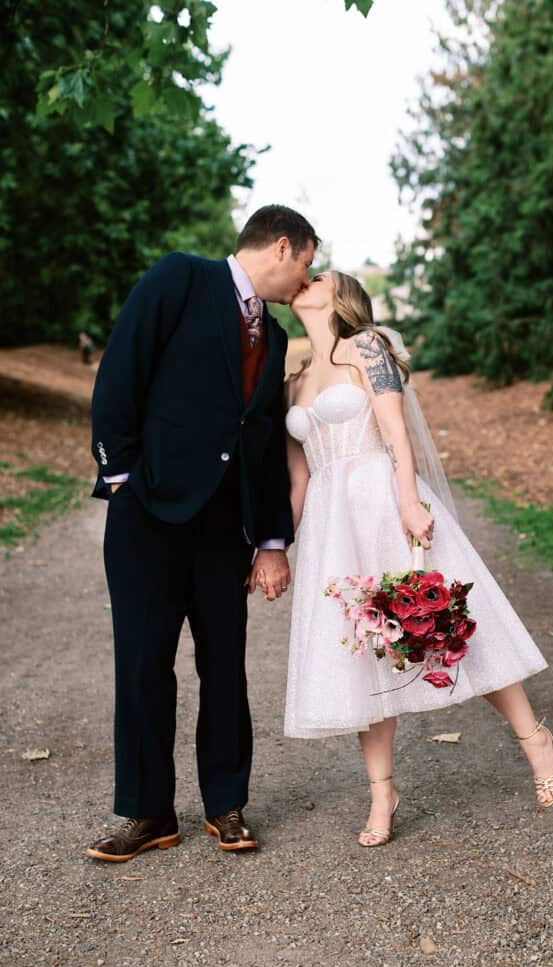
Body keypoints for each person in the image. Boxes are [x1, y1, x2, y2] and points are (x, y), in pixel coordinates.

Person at [284, 271, 553, 847]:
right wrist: (276, 548)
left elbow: (396, 433)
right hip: (331, 528)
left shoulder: (366, 346)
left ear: (340, 297)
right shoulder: (294, 379)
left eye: (319, 275)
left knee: (451, 631)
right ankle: (383, 791)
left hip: (384, 502)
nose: (303, 280)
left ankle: (535, 738)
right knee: (365, 653)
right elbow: (299, 476)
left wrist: (410, 503)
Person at [86, 205, 319, 862]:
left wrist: (271, 541)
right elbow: (118, 377)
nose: (305, 280)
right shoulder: (179, 279)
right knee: (142, 666)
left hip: (224, 532)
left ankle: (227, 805)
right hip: (147, 519)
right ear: (282, 247)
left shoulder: (273, 337)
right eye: (304, 264)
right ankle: (148, 814)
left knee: (224, 670)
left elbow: (265, 441)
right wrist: (122, 477)